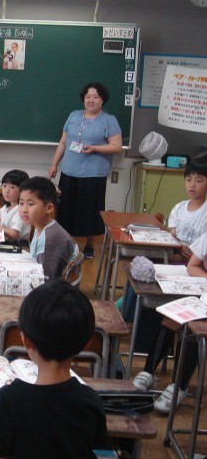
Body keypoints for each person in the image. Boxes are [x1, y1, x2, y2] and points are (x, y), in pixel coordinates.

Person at [0, 280, 108, 458]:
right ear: (86, 344)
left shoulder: (8, 400)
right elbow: (100, 450)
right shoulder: (90, 401)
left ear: (26, 341)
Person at [129, 161, 207, 401]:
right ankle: (148, 371)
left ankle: (179, 386)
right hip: (196, 285)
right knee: (171, 318)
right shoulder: (185, 212)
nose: (192, 185)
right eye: (189, 179)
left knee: (193, 330)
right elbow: (193, 264)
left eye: (199, 180)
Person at [48, 82, 122, 259]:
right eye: (88, 97)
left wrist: (95, 148)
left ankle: (90, 245)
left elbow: (116, 146)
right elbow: (63, 142)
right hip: (69, 171)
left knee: (90, 210)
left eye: (95, 97)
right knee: (66, 210)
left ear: (102, 100)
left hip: (93, 174)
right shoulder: (74, 116)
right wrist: (54, 164)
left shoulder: (109, 120)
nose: (91, 100)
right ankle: (67, 244)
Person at [19, 176, 79, 281]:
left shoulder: (50, 238)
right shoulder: (41, 228)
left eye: (30, 204)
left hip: (54, 289)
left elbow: (46, 279)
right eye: (21, 203)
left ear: (49, 208)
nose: (24, 209)